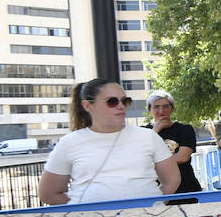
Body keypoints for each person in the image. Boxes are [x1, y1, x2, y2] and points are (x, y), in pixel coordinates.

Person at [39, 79, 181, 205]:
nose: (121, 106)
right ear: (88, 105)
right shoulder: (68, 143)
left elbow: (172, 180)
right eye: (112, 101)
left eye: (125, 101)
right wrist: (83, 206)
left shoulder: (148, 136)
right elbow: (48, 194)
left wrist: (153, 205)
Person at [145, 90, 201, 193]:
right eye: (156, 107)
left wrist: (153, 162)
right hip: (153, 189)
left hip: (186, 187)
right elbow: (141, 158)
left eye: (166, 106)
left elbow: (182, 157)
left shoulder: (185, 130)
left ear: (172, 109)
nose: (161, 111)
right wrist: (156, 130)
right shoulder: (143, 132)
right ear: (149, 109)